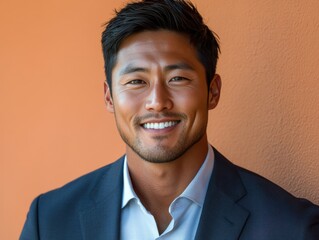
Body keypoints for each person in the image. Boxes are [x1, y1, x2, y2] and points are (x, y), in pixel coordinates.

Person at [20, 0, 319, 239]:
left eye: (177, 78)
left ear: (212, 92)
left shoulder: (292, 227)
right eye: (136, 81)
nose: (157, 102)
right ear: (109, 97)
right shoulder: (49, 222)